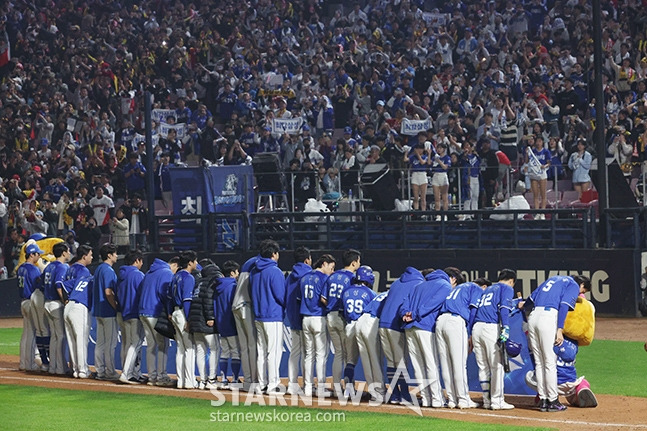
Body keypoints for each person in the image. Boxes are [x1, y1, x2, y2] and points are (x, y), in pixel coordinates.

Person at [520, 274, 591, 412]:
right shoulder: (573, 284)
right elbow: (564, 306)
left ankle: (543, 400)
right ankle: (553, 400)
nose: (580, 294)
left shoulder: (552, 279)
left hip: (533, 318)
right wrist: (559, 329)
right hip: (548, 318)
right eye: (583, 291)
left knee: (540, 363)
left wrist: (523, 306)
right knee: (549, 362)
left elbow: (530, 299)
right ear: (582, 284)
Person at [399, 268, 455, 408]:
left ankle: (425, 398)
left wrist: (405, 314)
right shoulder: (444, 285)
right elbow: (433, 304)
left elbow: (404, 304)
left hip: (409, 327)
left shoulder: (418, 285)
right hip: (425, 326)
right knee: (431, 363)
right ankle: (436, 399)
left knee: (418, 365)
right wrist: (416, 314)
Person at [472, 269, 517, 410]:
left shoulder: (487, 289)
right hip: (490, 329)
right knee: (497, 366)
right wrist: (506, 328)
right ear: (511, 281)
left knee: (483, 367)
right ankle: (497, 401)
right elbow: (504, 308)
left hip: (476, 328)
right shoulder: (507, 288)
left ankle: (486, 401)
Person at [379, 266, 425, 404]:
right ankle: (404, 394)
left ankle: (395, 394)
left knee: (391, 361)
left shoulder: (396, 282)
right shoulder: (418, 283)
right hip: (395, 325)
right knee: (401, 362)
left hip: (382, 324)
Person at [436, 274, 482, 409]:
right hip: (455, 321)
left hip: (441, 321)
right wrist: (469, 332)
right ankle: (463, 399)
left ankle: (451, 399)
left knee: (446, 364)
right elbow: (473, 310)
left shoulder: (454, 289)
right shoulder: (475, 287)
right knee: (459, 364)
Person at [323, 249, 361, 395]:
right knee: (348, 356)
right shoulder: (352, 277)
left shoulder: (333, 276)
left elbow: (324, 298)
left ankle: (337, 387)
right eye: (358, 261)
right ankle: (348, 388)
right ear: (353, 262)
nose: (359, 264)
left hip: (330, 316)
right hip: (342, 317)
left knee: (338, 353)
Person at [250, 239, 285, 394]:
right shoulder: (274, 271)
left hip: (258, 315)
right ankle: (273, 384)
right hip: (273, 315)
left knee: (262, 351)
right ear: (273, 254)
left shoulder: (254, 271)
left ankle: (261, 384)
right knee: (273, 351)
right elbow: (281, 296)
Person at [300, 254, 336, 397]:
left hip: (305, 319)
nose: (332, 271)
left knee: (308, 355)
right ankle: (321, 388)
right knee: (321, 355)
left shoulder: (304, 277)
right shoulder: (324, 278)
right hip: (318, 319)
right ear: (324, 264)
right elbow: (323, 299)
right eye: (331, 267)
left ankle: (308, 387)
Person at [139, 256, 177, 387]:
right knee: (162, 345)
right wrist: (168, 312)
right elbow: (165, 294)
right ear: (175, 265)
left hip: (143, 311)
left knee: (150, 345)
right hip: (155, 312)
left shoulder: (149, 272)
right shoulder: (166, 272)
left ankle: (152, 377)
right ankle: (161, 377)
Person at [341, 265, 377, 397]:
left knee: (350, 361)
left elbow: (343, 311)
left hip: (349, 325)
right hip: (364, 326)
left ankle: (348, 390)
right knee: (370, 359)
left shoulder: (346, 291)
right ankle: (375, 390)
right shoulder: (370, 293)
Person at [189, 261, 222, 390]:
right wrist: (210, 317)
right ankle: (212, 379)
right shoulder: (212, 281)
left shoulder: (198, 282)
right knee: (214, 349)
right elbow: (208, 299)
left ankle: (203, 380)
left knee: (200, 351)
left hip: (196, 320)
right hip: (206, 321)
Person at [284, 246, 312, 395]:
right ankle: (307, 384)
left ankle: (292, 384)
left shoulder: (289, 276)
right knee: (307, 353)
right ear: (307, 260)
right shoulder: (310, 275)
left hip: (293, 317)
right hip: (306, 316)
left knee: (294, 352)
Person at [169, 250, 198, 389]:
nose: (197, 263)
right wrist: (188, 319)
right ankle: (189, 381)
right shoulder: (188, 277)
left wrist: (170, 313)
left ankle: (181, 381)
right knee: (189, 348)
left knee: (180, 349)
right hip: (182, 313)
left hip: (174, 312)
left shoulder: (175, 276)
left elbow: (169, 297)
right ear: (190, 262)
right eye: (195, 261)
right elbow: (187, 300)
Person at [115, 250, 145, 384]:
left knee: (127, 344)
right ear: (137, 260)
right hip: (134, 312)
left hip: (122, 312)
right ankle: (127, 373)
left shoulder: (121, 274)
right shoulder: (137, 275)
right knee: (136, 343)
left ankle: (135, 373)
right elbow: (141, 295)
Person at [42, 242, 71, 375]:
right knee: (60, 336)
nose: (69, 253)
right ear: (64, 253)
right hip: (55, 304)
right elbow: (59, 285)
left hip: (47, 302)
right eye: (68, 251)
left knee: (54, 336)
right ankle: (60, 368)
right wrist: (65, 301)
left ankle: (53, 366)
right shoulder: (62, 266)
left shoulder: (49, 266)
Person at [91, 243, 119, 380]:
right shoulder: (108, 270)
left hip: (98, 310)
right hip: (108, 311)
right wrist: (115, 307)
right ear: (109, 255)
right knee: (110, 343)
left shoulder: (98, 269)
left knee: (100, 343)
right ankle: (110, 371)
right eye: (115, 253)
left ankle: (100, 371)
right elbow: (108, 292)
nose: (117, 256)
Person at [214, 260, 242, 388]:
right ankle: (235, 379)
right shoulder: (233, 287)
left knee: (224, 352)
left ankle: (224, 378)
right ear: (232, 273)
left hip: (220, 323)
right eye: (237, 272)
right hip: (231, 323)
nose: (238, 274)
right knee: (235, 352)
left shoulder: (217, 286)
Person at [18, 243, 46, 372]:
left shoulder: (21, 268)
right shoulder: (33, 269)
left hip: (23, 301)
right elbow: (38, 285)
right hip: (30, 302)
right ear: (31, 255)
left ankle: (23, 363)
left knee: (25, 334)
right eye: (37, 254)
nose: (39, 256)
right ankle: (29, 365)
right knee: (31, 334)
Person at [232, 254, 259, 391]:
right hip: (246, 305)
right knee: (252, 345)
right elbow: (254, 287)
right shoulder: (259, 263)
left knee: (244, 347)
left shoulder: (249, 260)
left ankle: (248, 381)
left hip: (236, 305)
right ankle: (254, 381)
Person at [526, 136, 551, 219]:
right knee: (535, 194)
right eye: (537, 141)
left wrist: (545, 166)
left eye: (540, 141)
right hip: (534, 174)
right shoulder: (532, 151)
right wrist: (526, 153)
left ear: (542, 142)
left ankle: (542, 212)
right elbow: (527, 161)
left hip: (542, 173)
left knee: (543, 194)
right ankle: (537, 212)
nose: (538, 143)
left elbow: (549, 162)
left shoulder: (546, 151)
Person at [406, 143, 432, 211]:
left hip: (422, 174)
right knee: (416, 197)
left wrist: (418, 155)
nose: (419, 150)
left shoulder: (425, 156)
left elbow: (422, 162)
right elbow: (405, 160)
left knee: (423, 197)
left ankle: (423, 211)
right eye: (417, 149)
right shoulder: (412, 157)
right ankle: (416, 211)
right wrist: (406, 152)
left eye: (420, 149)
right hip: (415, 175)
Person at [430, 143, 451, 220]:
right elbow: (429, 163)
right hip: (435, 175)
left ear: (444, 149)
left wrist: (439, 161)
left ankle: (445, 214)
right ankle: (438, 215)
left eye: (440, 148)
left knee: (444, 197)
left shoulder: (446, 158)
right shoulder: (434, 157)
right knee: (437, 197)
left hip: (443, 175)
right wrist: (430, 154)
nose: (439, 149)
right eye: (438, 148)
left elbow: (445, 167)